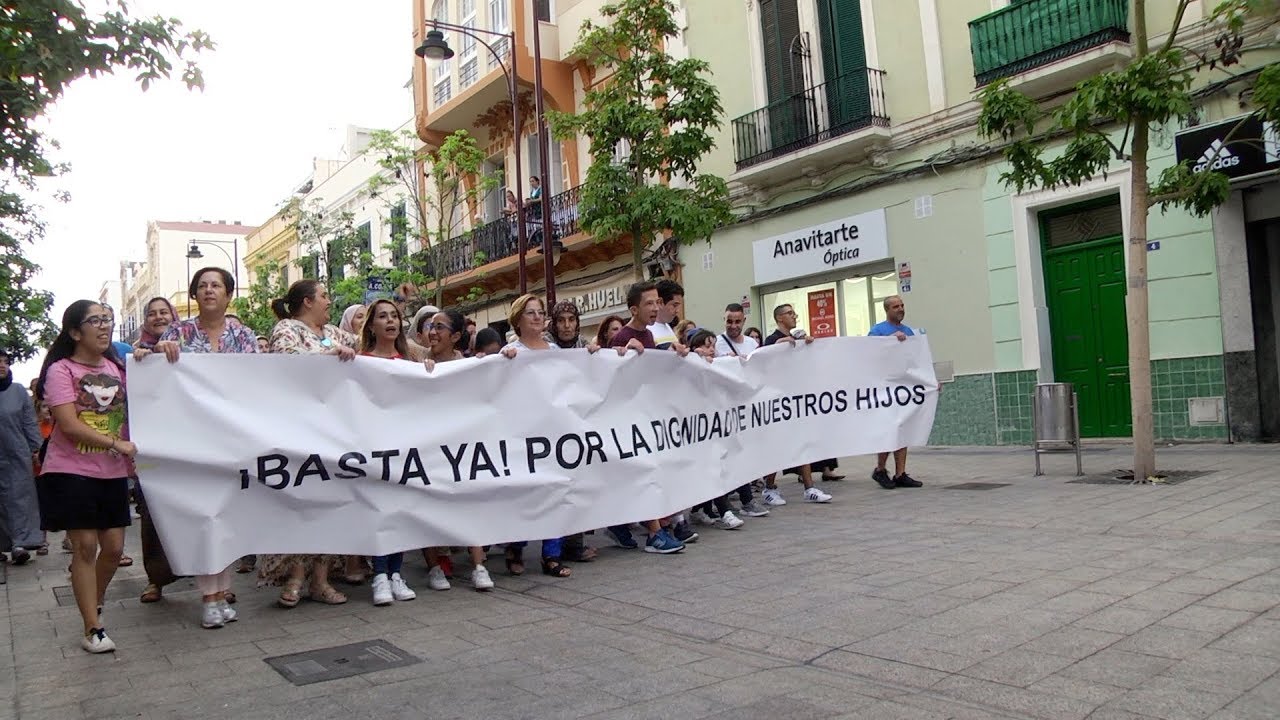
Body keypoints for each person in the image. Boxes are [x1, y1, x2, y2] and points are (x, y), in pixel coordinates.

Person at [137, 267, 259, 629]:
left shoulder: (244, 334)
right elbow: (151, 364)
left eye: (216, 285)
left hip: (233, 441)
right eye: (202, 286)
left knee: (229, 516)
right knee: (206, 516)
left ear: (228, 294)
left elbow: (265, 379)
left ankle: (222, 593)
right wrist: (156, 352)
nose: (209, 291)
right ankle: (208, 597)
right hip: (193, 441)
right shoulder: (178, 332)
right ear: (194, 295)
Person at [35, 300, 136, 653]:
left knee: (114, 549)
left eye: (108, 319)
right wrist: (116, 443)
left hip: (111, 472)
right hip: (69, 470)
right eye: (95, 320)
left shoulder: (119, 368)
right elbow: (68, 424)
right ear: (76, 332)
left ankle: (93, 597)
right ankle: (92, 627)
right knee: (86, 546)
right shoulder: (61, 370)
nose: (105, 326)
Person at [260, 280, 356, 608]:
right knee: (299, 502)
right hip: (297, 431)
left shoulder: (334, 332)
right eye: (325, 295)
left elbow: (371, 349)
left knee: (329, 503)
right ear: (307, 301)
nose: (330, 301)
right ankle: (296, 576)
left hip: (333, 434)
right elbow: (288, 360)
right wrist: (329, 355)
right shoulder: (287, 329)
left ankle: (321, 580)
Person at [499, 294, 590, 576]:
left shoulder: (554, 350)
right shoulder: (511, 352)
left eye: (540, 313)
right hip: (524, 433)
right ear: (518, 320)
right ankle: (516, 547)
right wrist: (502, 360)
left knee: (556, 491)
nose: (537, 317)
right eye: (530, 313)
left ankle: (552, 554)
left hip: (553, 434)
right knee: (527, 494)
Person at [606, 282, 688, 554]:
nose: (655, 308)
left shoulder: (650, 336)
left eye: (657, 302)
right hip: (627, 418)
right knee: (642, 471)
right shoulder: (623, 337)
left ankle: (623, 523)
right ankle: (655, 533)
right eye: (648, 304)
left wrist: (674, 356)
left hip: (646, 414)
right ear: (634, 308)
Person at [421, 309, 496, 591]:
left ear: (454, 336)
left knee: (469, 504)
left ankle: (478, 565)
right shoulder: (417, 362)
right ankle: (435, 567)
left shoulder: (469, 365)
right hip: (428, 448)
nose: (432, 332)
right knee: (428, 505)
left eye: (439, 327)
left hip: (463, 448)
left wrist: (504, 361)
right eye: (430, 326)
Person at [357, 299, 420, 606]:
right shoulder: (359, 362)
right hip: (373, 447)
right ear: (371, 325)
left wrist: (430, 374)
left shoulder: (411, 362)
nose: (390, 321)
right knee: (379, 511)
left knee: (399, 511)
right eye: (382, 316)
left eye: (394, 316)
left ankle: (396, 573)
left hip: (404, 447)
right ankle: (379, 575)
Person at [131, 298, 182, 603]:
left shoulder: (191, 346)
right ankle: (156, 580)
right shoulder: (138, 354)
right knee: (152, 513)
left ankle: (213, 579)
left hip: (190, 444)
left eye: (164, 312)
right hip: (152, 450)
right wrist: (145, 358)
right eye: (152, 313)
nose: (158, 317)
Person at [762, 303, 845, 483]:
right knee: (780, 445)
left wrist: (808, 346)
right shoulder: (772, 339)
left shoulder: (797, 338)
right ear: (779, 318)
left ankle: (810, 484)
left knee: (804, 439)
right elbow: (764, 359)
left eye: (794, 313)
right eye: (789, 313)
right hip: (782, 401)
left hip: (800, 399)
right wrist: (779, 344)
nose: (794, 316)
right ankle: (769, 485)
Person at [709, 305, 771, 519]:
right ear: (723, 319)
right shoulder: (715, 344)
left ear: (744, 321)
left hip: (746, 409)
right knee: (727, 457)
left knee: (743, 456)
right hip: (723, 409)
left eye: (737, 321)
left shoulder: (752, 344)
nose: (733, 326)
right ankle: (732, 503)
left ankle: (743, 501)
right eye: (729, 321)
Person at [868, 295, 921, 489]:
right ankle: (880, 469)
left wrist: (929, 381)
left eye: (902, 305)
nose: (900, 309)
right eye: (896, 306)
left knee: (903, 429)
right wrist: (890, 340)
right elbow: (869, 353)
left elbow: (915, 360)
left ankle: (900, 473)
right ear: (887, 310)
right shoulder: (878, 331)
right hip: (886, 388)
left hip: (904, 387)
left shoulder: (908, 331)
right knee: (889, 430)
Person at [0, 349, 43, 564]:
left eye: (5, 362)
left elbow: (29, 423)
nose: (2, 365)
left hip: (16, 453)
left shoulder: (18, 392)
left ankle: (20, 543)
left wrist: (38, 450)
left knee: (19, 499)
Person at [648, 279, 683, 349]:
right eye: (674, 305)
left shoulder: (668, 326)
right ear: (660, 302)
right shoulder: (648, 330)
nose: (677, 310)